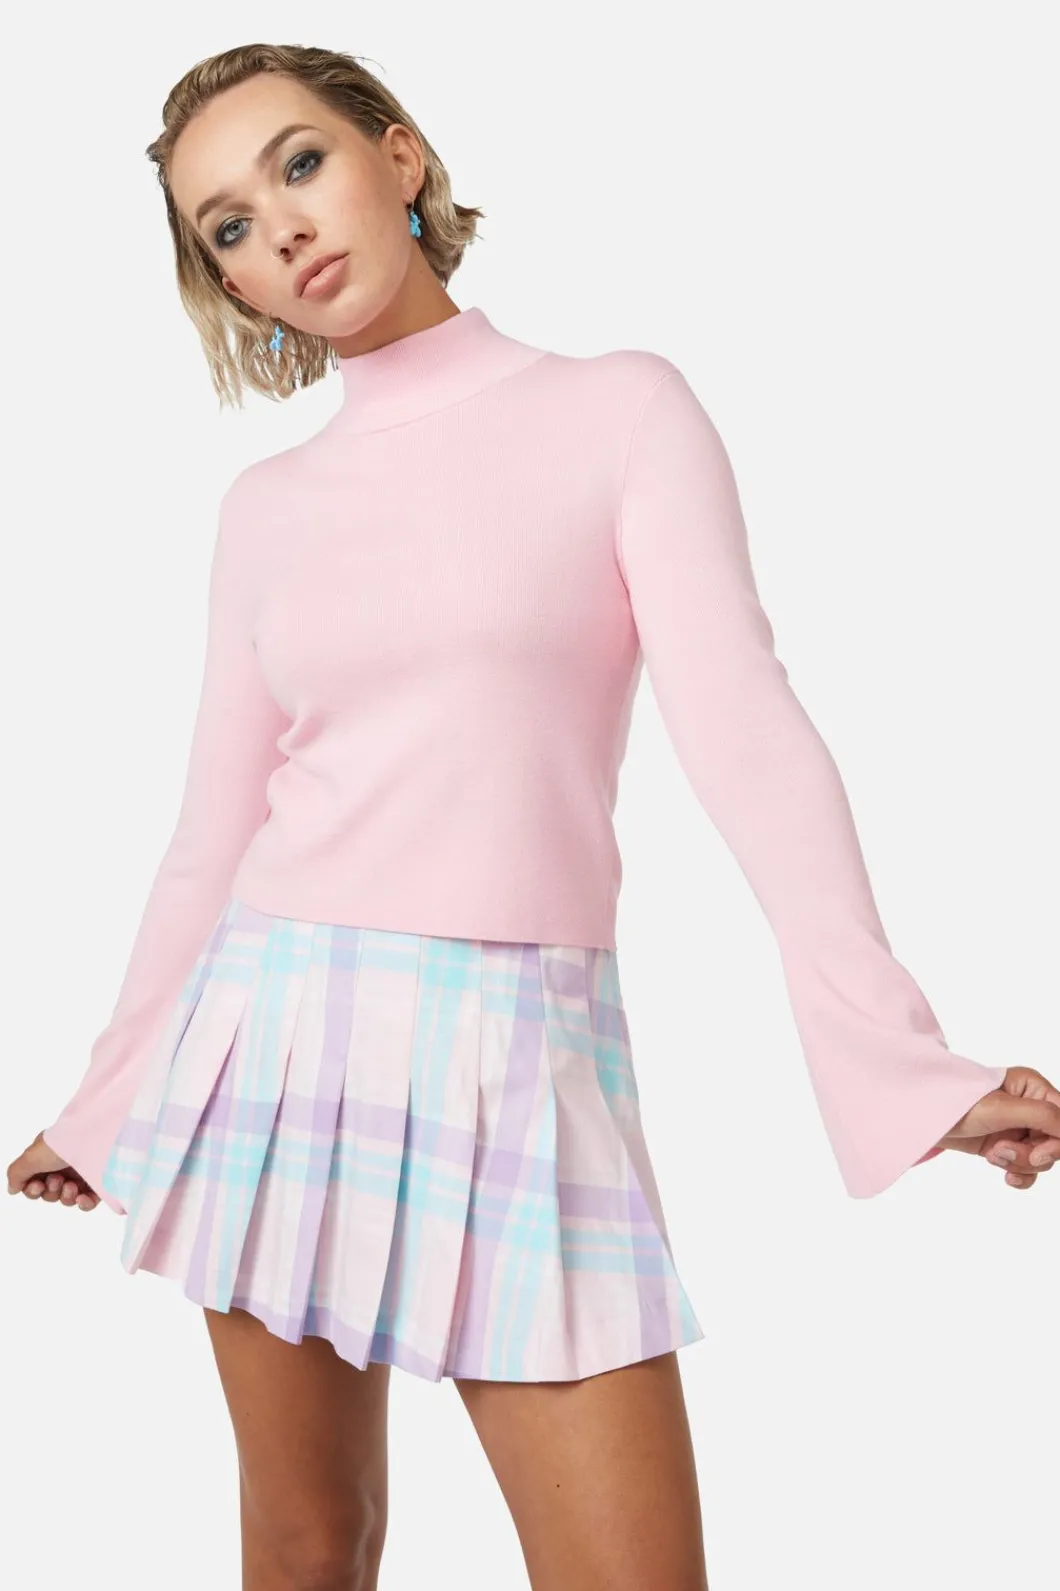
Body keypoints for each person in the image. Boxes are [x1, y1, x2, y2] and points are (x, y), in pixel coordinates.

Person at [8, 40, 1059, 1591]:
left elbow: (751, 738)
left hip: (521, 1047)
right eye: (228, 224)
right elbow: (209, 838)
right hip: (276, 1041)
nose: (280, 226)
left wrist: (905, 1066)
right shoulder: (265, 511)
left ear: (401, 157)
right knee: (308, 1549)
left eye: (300, 163)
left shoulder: (618, 411)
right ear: (230, 282)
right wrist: (108, 1102)